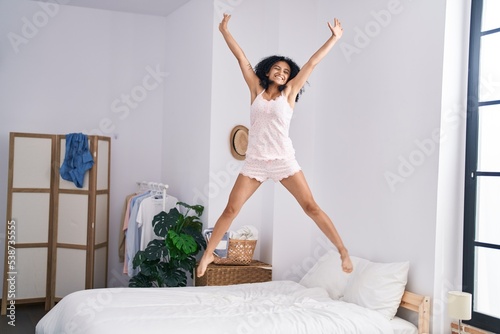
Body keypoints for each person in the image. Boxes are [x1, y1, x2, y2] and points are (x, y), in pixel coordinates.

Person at [196, 13, 353, 277]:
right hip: (255, 162)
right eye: (277, 69)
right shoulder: (255, 90)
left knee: (311, 207)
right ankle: (208, 254)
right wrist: (224, 30)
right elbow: (241, 59)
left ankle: (342, 250)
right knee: (231, 209)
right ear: (267, 71)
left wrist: (334, 38)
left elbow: (312, 64)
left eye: (286, 71)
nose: (282, 73)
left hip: (283, 161)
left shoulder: (289, 93)